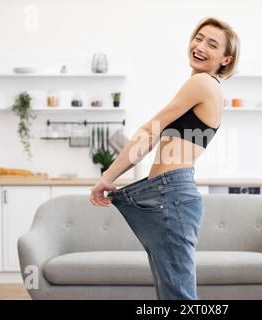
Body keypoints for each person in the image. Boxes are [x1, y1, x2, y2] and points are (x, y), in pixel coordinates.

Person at [90, 17, 240, 300]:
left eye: (212, 44)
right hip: (172, 193)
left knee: (178, 297)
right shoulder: (208, 87)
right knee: (172, 294)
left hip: (171, 195)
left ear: (225, 59)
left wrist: (107, 177)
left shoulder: (203, 84)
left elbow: (150, 131)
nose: (200, 46)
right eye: (198, 37)